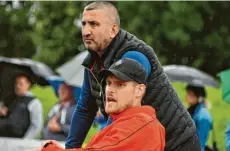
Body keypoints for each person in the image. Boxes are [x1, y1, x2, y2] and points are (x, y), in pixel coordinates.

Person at [66, 1, 200, 151]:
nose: (85, 31)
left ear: (113, 30)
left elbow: (121, 111)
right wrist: (70, 148)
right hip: (142, 140)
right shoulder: (93, 60)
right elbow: (85, 108)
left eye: (93, 24)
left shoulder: (134, 55)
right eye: (83, 24)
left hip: (176, 143)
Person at [27, 58, 165, 151]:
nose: (110, 89)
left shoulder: (143, 124)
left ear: (139, 90)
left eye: (120, 84)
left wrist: (48, 148)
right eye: (109, 83)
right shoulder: (124, 122)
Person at [0, 73, 43, 139]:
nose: (17, 86)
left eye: (20, 84)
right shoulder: (10, 99)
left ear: (28, 84)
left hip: (19, 140)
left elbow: (36, 126)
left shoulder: (34, 102)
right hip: (4, 138)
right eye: (16, 83)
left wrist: (25, 141)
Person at [185, 82, 212, 151]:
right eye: (187, 92)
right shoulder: (190, 110)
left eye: (190, 94)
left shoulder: (204, 116)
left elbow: (200, 143)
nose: (187, 96)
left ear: (198, 96)